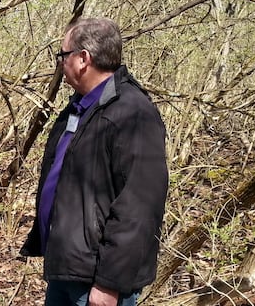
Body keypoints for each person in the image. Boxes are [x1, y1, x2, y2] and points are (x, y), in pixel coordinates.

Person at [20, 18, 168, 306]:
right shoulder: (81, 106)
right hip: (67, 267)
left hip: (96, 281)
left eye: (63, 56)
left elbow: (139, 206)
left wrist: (109, 283)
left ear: (83, 59)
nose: (60, 64)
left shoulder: (133, 114)